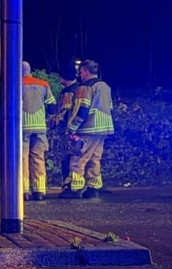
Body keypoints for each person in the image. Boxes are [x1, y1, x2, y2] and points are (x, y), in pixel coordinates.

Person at [62, 59, 115, 199]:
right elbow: (110, 108)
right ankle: (93, 187)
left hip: (88, 128)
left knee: (78, 157)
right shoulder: (105, 87)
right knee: (94, 158)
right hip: (104, 128)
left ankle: (75, 188)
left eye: (81, 72)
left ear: (85, 71)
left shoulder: (85, 87)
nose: (80, 75)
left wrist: (72, 128)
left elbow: (82, 108)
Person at [22, 62, 57, 201]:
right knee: (38, 157)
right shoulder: (43, 84)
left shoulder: (15, 84)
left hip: (23, 126)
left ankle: (24, 191)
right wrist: (47, 117)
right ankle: (39, 191)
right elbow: (52, 105)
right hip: (40, 126)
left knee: (23, 158)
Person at [54, 63, 80, 190]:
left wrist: (56, 122)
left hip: (68, 131)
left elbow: (65, 112)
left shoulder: (69, 92)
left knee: (68, 157)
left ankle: (68, 184)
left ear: (64, 77)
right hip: (76, 129)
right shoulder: (78, 88)